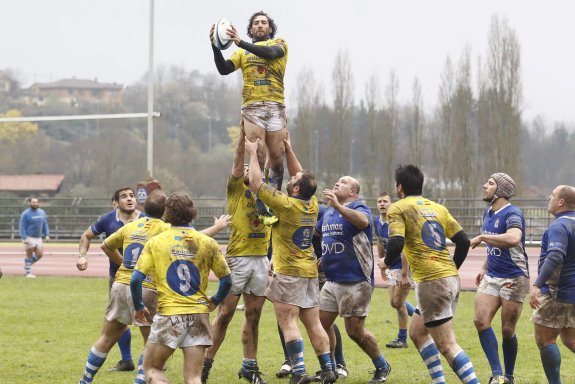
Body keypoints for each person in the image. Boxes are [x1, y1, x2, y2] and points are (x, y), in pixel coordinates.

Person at [245, 133, 336, 384]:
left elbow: (254, 182)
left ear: (295, 188)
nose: (292, 175)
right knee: (314, 324)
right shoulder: (312, 203)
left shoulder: (285, 204)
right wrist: (288, 149)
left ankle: (298, 373)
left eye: (293, 179)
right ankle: (328, 369)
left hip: (289, 272)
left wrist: (252, 152)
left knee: (288, 322)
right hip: (309, 271)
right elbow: (303, 175)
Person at [379, 164, 478, 384]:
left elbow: (396, 243)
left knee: (447, 344)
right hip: (449, 279)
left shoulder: (398, 208)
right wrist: (450, 270)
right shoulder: (438, 208)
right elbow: (463, 241)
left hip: (432, 282)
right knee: (417, 332)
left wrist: (385, 262)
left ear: (400, 187)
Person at [130, 192, 232, 384]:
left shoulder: (157, 242)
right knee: (194, 378)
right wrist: (215, 299)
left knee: (151, 369)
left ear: (166, 213)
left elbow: (136, 279)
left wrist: (138, 305)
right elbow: (226, 280)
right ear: (193, 212)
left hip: (169, 314)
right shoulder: (208, 242)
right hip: (199, 315)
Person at [201, 128, 272, 384]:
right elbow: (237, 160)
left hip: (261, 259)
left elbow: (261, 165)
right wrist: (245, 138)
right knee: (225, 315)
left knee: (253, 317)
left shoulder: (265, 191)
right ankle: (205, 365)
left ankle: (249, 367)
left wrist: (262, 142)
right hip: (237, 259)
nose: (245, 168)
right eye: (243, 167)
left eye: (249, 167)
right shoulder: (235, 189)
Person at [78, 190, 170, 384]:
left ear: (143, 206)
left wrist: (124, 265)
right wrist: (218, 226)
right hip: (145, 288)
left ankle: (85, 381)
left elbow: (105, 246)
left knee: (106, 337)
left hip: (120, 285)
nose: (129, 199)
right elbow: (193, 238)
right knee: (151, 342)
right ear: (165, 211)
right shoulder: (164, 228)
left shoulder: (132, 225)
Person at [317, 176, 392, 383]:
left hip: (356, 280)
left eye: (343, 181)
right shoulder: (329, 211)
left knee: (354, 332)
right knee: (320, 325)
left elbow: (363, 222)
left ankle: (382, 366)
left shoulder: (359, 207)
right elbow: (324, 236)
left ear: (353, 192)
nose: (337, 182)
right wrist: (324, 256)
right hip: (332, 280)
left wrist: (338, 206)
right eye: (337, 181)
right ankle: (329, 369)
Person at [209, 11, 288, 196]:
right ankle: (259, 197)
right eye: (256, 23)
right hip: (252, 107)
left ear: (270, 28)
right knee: (258, 154)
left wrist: (240, 42)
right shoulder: (241, 53)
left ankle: (273, 197)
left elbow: (270, 54)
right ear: (251, 29)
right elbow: (224, 69)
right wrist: (215, 47)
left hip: (275, 105)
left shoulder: (279, 44)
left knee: (277, 157)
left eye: (263, 22)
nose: (260, 25)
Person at [76, 186, 144, 372]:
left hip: (146, 280)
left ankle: (152, 362)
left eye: (132, 196)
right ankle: (127, 360)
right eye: (124, 196)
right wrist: (82, 255)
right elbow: (86, 236)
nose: (129, 199)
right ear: (115, 203)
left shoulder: (147, 221)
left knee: (149, 320)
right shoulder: (107, 219)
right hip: (117, 279)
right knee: (119, 320)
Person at [470, 173, 529, 384]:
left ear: (501, 191)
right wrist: (484, 267)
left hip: (514, 278)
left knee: (507, 330)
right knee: (480, 321)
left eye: (491, 183)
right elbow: (494, 245)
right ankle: (497, 375)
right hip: (492, 276)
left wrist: (484, 237)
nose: (485, 185)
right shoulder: (488, 212)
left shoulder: (512, 213)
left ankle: (509, 376)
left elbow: (513, 238)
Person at [530, 185, 575, 384]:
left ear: (561, 202)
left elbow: (556, 255)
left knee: (545, 339)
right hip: (572, 293)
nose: (549, 196)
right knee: (570, 340)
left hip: (558, 292)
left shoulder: (560, 226)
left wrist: (538, 285)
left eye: (553, 194)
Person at [374, 192, 415, 349]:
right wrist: (383, 263)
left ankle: (402, 338)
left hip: (402, 266)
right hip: (390, 265)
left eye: (385, 201)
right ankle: (422, 316)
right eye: (380, 201)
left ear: (392, 203)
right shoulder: (377, 222)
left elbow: (405, 249)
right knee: (394, 302)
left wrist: (405, 275)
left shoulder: (396, 222)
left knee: (399, 302)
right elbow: (379, 241)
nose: (382, 204)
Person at [19, 197, 50, 278]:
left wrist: (46, 234)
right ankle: (28, 272)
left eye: (36, 202)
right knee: (29, 253)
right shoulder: (25, 214)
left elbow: (45, 224)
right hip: (29, 237)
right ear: (30, 203)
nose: (35, 204)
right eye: (33, 202)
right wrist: (24, 237)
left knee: (40, 255)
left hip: (38, 237)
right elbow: (22, 226)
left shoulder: (42, 212)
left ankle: (27, 265)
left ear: (38, 203)